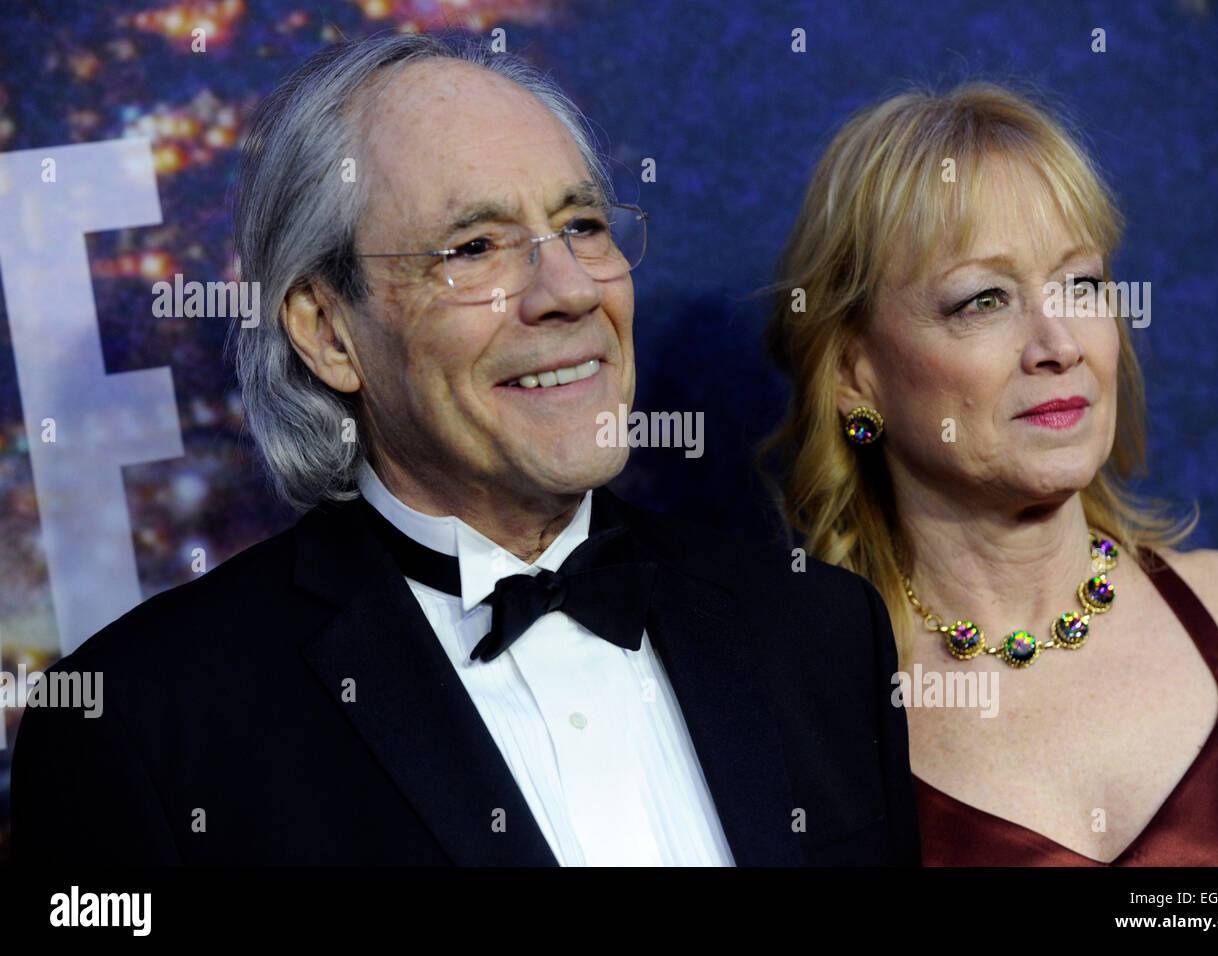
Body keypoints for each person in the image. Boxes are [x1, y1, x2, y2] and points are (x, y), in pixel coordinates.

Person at [9, 33, 918, 867]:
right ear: (329, 332)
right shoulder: (138, 724)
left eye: (584, 226)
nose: (566, 289)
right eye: (475, 247)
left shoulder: (819, 634)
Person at [762, 81, 1218, 865]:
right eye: (984, 299)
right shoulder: (804, 719)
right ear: (853, 373)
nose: (1060, 343)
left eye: (1081, 284)